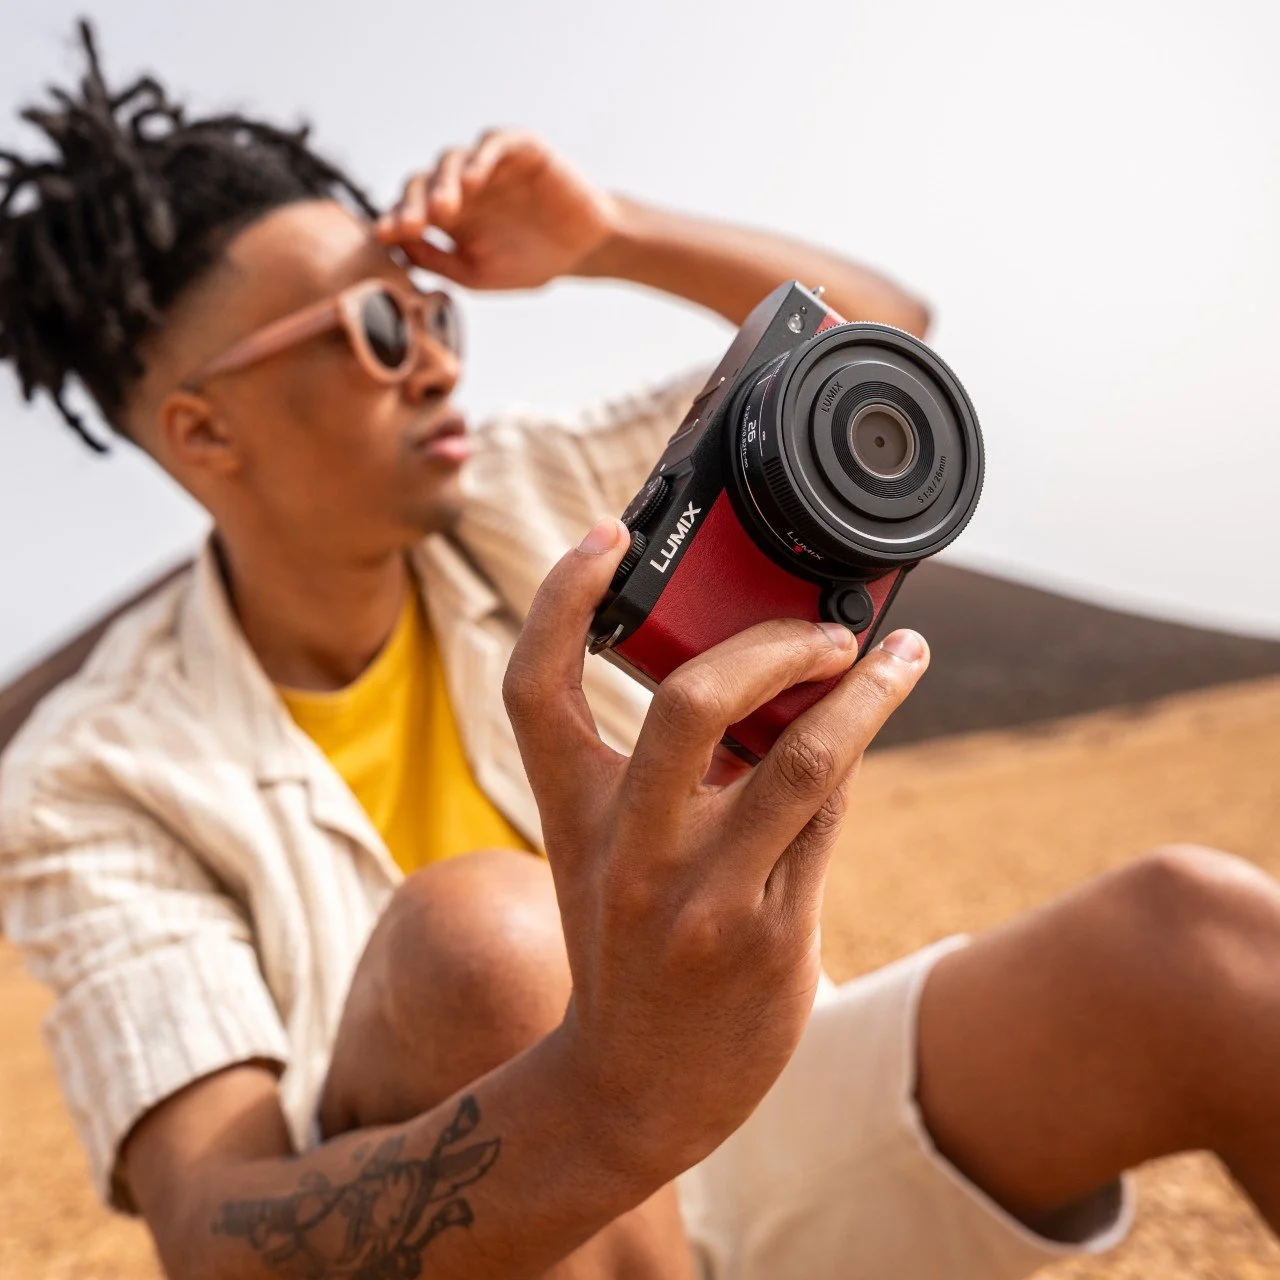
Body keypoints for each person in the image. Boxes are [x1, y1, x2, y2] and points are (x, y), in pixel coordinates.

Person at [3, 22, 1280, 1280]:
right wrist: (610, 1099)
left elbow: (880, 356)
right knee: (487, 943)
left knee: (1196, 942)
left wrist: (605, 236)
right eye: (378, 330)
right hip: (511, 1194)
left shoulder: (525, 486)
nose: (438, 365)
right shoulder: (95, 768)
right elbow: (209, 1222)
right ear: (204, 432)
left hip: (744, 1114)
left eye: (433, 314)